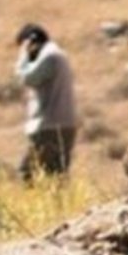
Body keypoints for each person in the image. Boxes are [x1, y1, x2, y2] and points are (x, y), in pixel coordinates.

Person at [14, 23, 79, 181]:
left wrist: (23, 54)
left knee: (28, 173)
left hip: (49, 126)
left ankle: (32, 205)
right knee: (57, 175)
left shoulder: (50, 56)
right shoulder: (59, 55)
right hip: (63, 125)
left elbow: (27, 77)